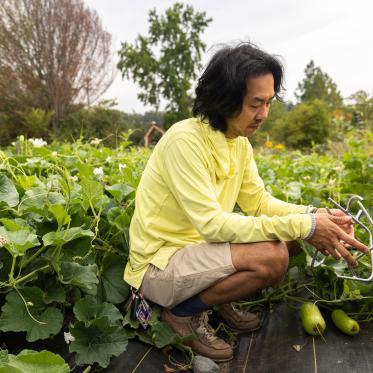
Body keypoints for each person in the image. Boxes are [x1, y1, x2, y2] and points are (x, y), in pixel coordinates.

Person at [123, 42, 369, 362]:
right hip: (159, 265)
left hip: (196, 254)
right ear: (225, 98)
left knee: (291, 238)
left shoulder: (238, 144)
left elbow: (260, 203)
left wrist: (315, 216)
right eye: (255, 104)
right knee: (273, 256)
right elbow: (212, 225)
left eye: (268, 103)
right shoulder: (185, 141)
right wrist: (308, 226)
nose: (263, 115)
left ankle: (214, 298)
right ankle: (181, 314)